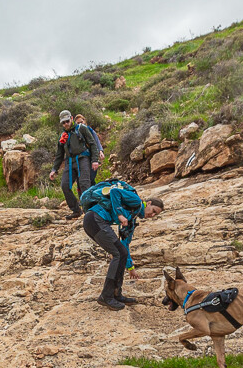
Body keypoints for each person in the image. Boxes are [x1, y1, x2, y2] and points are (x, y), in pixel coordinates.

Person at [82, 181, 164, 310]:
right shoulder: (136, 201)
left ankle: (116, 294)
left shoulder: (132, 218)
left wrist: (130, 267)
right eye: (153, 210)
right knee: (118, 254)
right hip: (94, 219)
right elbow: (115, 192)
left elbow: (125, 243)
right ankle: (106, 296)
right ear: (148, 203)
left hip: (95, 222)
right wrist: (120, 214)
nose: (152, 215)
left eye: (155, 215)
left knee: (121, 253)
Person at [50, 110, 103, 219]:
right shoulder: (63, 136)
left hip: (83, 159)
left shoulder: (81, 128)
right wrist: (54, 169)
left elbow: (93, 144)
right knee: (65, 185)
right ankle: (76, 210)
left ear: (72, 118)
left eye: (67, 121)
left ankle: (89, 211)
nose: (66, 124)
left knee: (84, 184)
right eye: (63, 123)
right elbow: (59, 154)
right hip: (70, 162)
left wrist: (95, 160)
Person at [74, 114, 102, 185]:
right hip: (82, 158)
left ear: (84, 121)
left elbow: (96, 141)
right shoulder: (75, 133)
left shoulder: (90, 130)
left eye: (81, 122)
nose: (80, 124)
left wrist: (100, 151)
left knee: (91, 177)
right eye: (78, 123)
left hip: (92, 156)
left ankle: (94, 192)